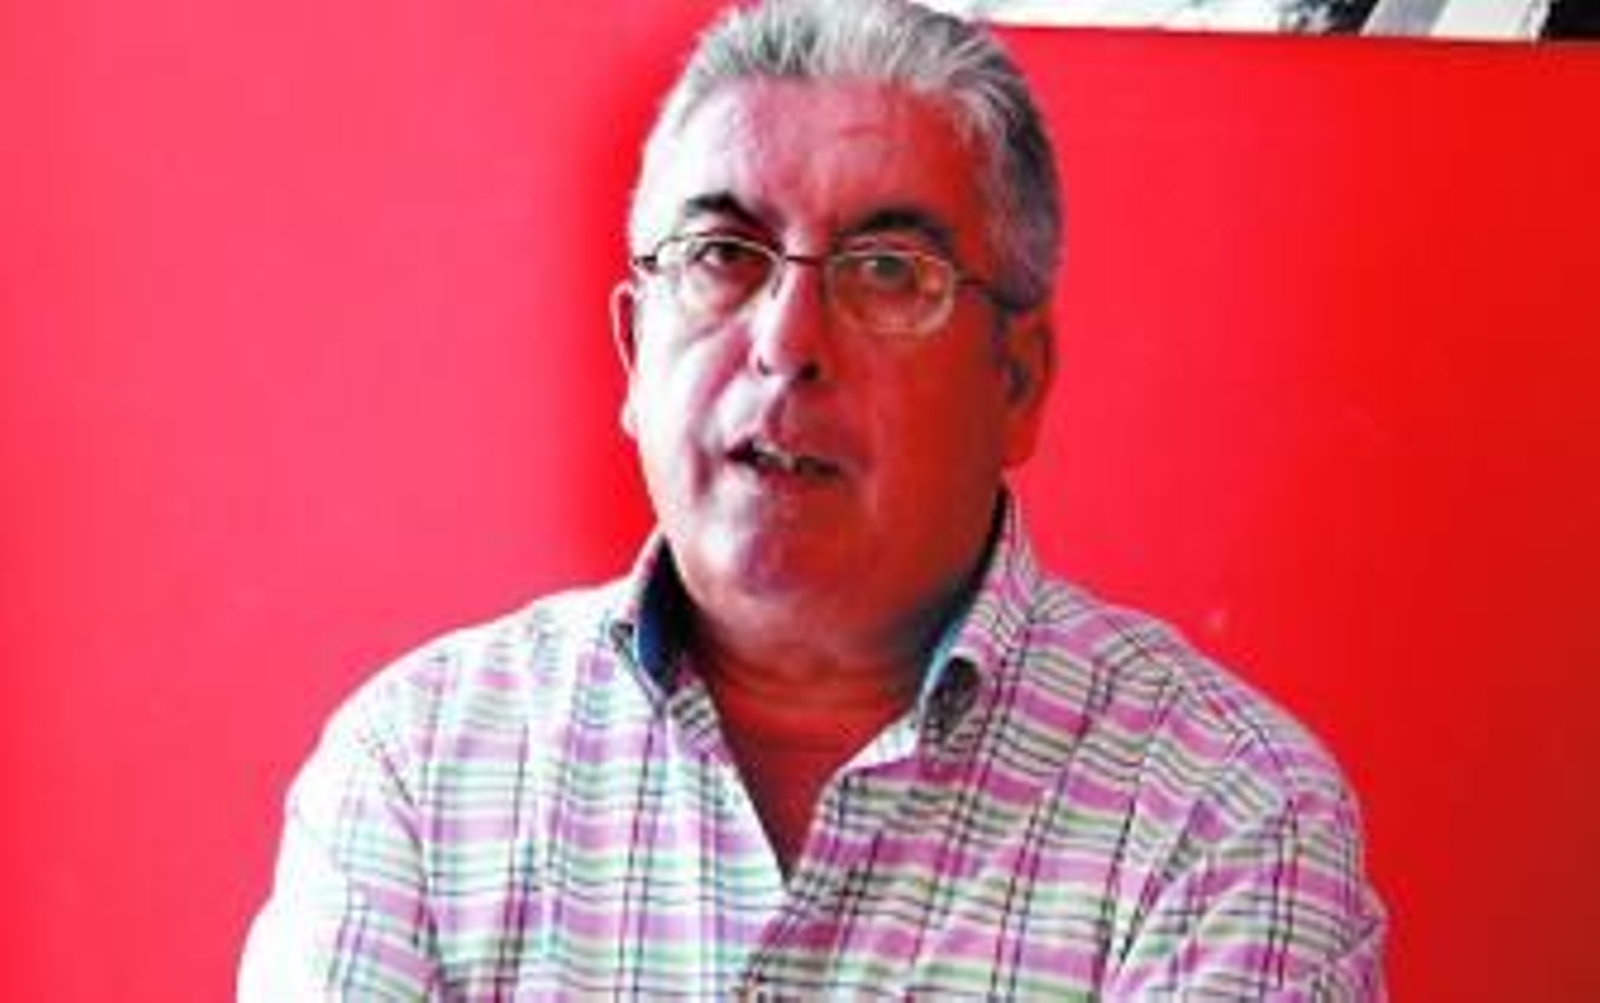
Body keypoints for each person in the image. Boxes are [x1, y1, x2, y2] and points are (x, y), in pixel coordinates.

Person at [240, 0, 1386, 997]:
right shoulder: (423, 767)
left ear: (1017, 382)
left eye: (886, 272)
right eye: (722, 254)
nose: (786, 343)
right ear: (635, 351)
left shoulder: (1221, 816)